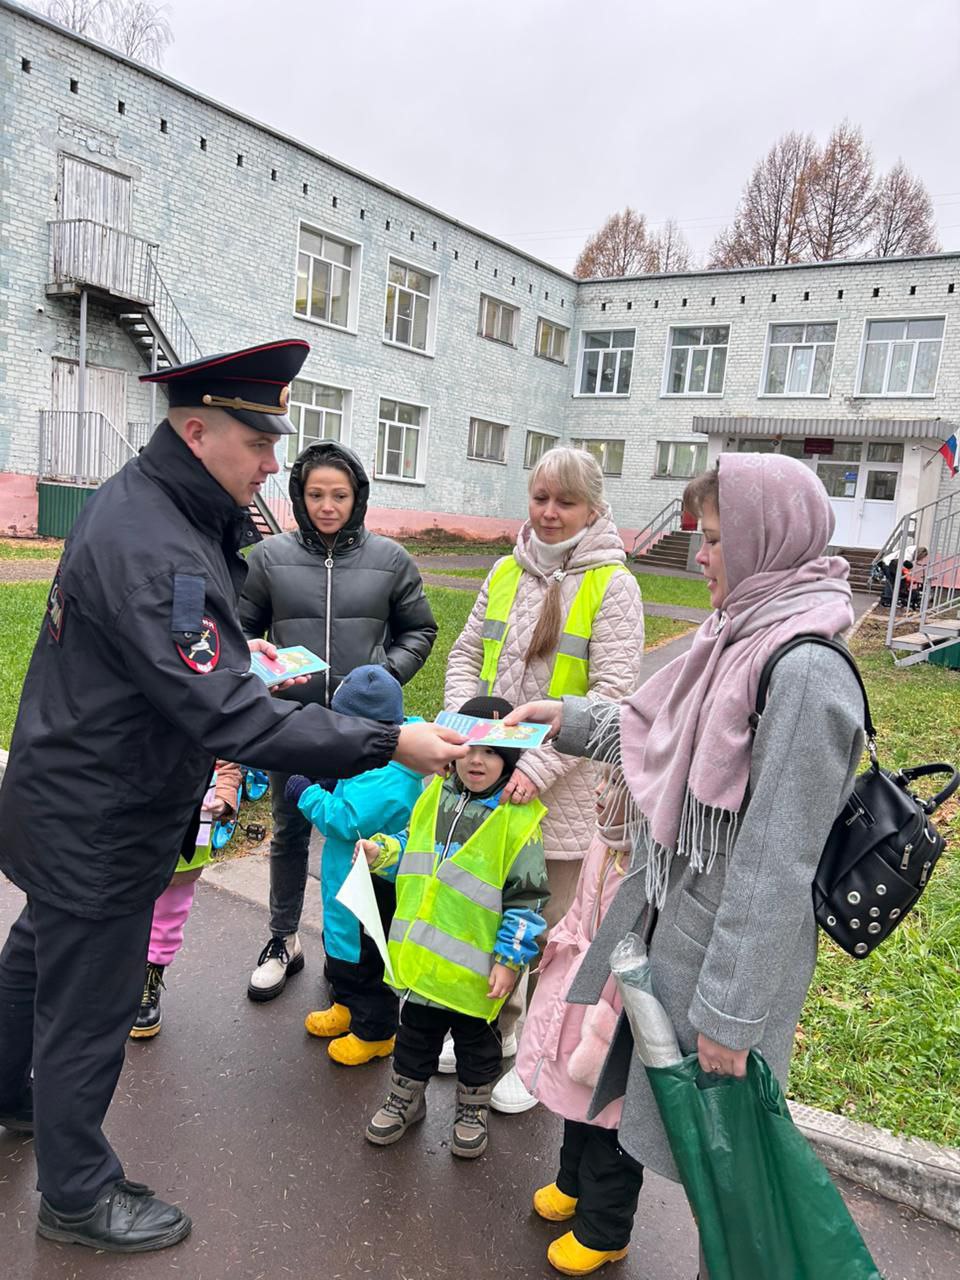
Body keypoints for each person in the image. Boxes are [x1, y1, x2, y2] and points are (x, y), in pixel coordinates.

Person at [0, 340, 467, 1255]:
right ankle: (78, 1194)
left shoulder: (151, 505)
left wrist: (230, 652)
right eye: (259, 443)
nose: (272, 464)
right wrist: (390, 739)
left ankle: (14, 1100)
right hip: (104, 813)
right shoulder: (157, 540)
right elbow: (232, 720)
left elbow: (174, 655)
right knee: (90, 1002)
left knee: (36, 956)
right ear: (199, 428)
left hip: (68, 790)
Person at [509, 453, 865, 1278]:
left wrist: (731, 1018)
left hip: (723, 969)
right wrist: (560, 716)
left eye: (714, 540)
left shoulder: (805, 668)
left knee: (729, 1166)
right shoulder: (734, 633)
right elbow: (650, 729)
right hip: (674, 932)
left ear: (766, 538)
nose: (700, 555)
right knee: (694, 1147)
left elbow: (777, 867)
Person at [444, 446, 644, 1113]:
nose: (550, 513)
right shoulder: (507, 570)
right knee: (491, 914)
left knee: (546, 933)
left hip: (560, 795)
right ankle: (493, 1034)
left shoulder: (612, 585)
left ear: (594, 508)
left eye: (566, 502)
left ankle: (535, 1058)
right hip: (491, 780)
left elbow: (612, 698)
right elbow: (468, 653)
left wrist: (533, 764)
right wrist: (462, 733)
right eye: (540, 499)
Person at [240, 439, 437, 1003]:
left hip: (364, 733)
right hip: (291, 724)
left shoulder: (391, 559)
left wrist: (382, 676)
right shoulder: (270, 559)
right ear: (300, 497)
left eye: (340, 495)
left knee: (364, 837)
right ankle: (282, 939)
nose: (328, 505)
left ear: (358, 497)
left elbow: (419, 630)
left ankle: (355, 957)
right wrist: (260, 664)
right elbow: (239, 632)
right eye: (316, 494)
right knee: (290, 830)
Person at [360, 696, 550, 1159]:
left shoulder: (518, 822)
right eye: (469, 749)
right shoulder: (433, 796)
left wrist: (510, 962)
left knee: (477, 1048)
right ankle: (406, 1098)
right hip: (424, 962)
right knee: (414, 1037)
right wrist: (382, 852)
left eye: (491, 753)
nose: (477, 761)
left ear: (509, 761)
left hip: (477, 974)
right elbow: (414, 849)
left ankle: (472, 1109)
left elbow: (527, 900)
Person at [515, 777, 639, 1276]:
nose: (599, 790)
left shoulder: (651, 863)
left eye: (614, 784)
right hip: (582, 993)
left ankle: (605, 1232)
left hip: (620, 1007)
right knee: (576, 1103)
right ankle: (571, 1184)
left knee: (613, 1124)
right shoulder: (605, 837)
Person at [285, 665, 424, 1065]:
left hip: (371, 886)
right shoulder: (373, 759)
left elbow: (347, 818)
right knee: (342, 949)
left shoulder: (390, 774)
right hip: (345, 876)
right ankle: (347, 1007)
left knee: (366, 960)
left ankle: (376, 1031)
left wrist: (307, 793)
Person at [130, 759, 243, 1039]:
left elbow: (227, 759)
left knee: (169, 912)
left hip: (188, 831)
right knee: (123, 906)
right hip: (134, 824)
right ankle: (115, 974)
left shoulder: (208, 715)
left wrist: (223, 798)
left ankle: (149, 979)